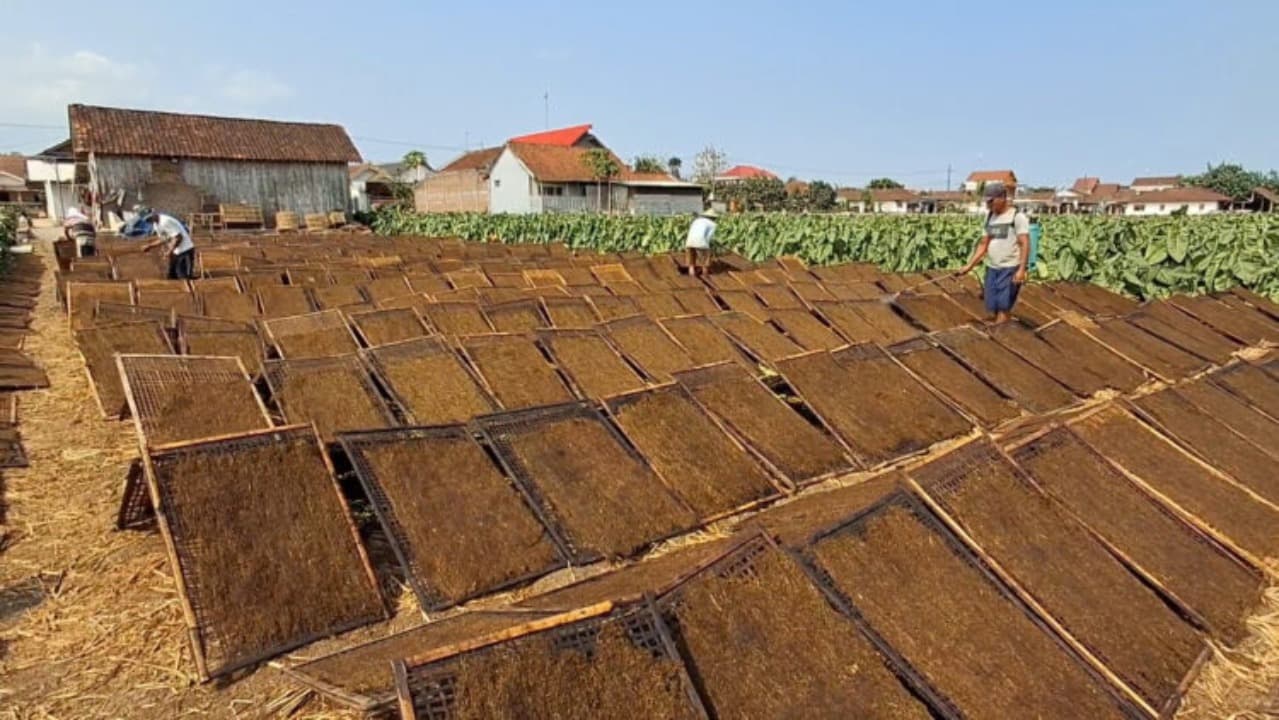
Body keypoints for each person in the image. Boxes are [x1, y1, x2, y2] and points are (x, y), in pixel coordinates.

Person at [958, 184, 1029, 323]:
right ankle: (1002, 328)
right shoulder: (990, 217)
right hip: (992, 267)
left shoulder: (1016, 217)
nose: (988, 204)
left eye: (991, 201)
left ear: (1002, 198)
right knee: (992, 304)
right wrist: (969, 266)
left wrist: (1021, 269)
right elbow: (984, 244)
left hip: (1009, 267)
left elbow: (1024, 243)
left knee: (1003, 305)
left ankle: (1001, 333)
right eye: (987, 201)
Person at [141, 210, 196, 280]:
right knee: (172, 276)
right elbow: (163, 239)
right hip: (175, 252)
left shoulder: (165, 221)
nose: (148, 221)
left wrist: (169, 251)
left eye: (149, 218)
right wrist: (149, 246)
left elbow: (178, 237)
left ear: (154, 213)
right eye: (146, 220)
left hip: (185, 250)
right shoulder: (156, 225)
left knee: (184, 277)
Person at [685, 208, 718, 277]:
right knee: (705, 263)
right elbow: (708, 237)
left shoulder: (696, 221)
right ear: (713, 217)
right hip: (701, 242)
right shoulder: (713, 224)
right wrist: (710, 247)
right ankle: (705, 276)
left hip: (689, 242)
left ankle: (692, 277)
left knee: (691, 263)